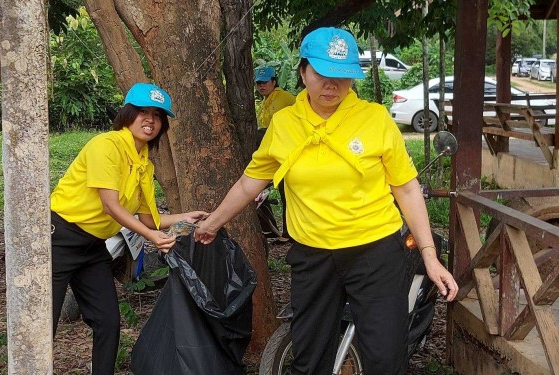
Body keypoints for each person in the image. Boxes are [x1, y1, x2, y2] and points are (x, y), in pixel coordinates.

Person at [195, 27, 458, 375]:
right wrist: (212, 223)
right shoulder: (284, 123)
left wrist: (429, 256)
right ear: (303, 71)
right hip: (313, 255)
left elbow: (406, 188)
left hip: (375, 252)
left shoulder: (374, 119)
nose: (332, 85)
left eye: (342, 76)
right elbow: (248, 183)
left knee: (384, 357)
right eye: (322, 74)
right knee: (309, 357)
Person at [50, 82, 207, 375]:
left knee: (107, 321)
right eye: (143, 112)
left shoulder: (143, 161)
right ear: (127, 114)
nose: (150, 120)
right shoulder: (106, 146)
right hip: (60, 238)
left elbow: (147, 217)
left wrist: (185, 217)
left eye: (158, 116)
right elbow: (111, 205)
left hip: (93, 246)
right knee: (43, 322)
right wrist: (151, 237)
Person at [254, 66, 295, 241]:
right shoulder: (266, 101)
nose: (261, 86)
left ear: (274, 81)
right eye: (258, 83)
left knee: (288, 191)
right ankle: (272, 229)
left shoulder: (283, 98)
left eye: (265, 82)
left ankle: (290, 232)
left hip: (287, 151)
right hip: (272, 154)